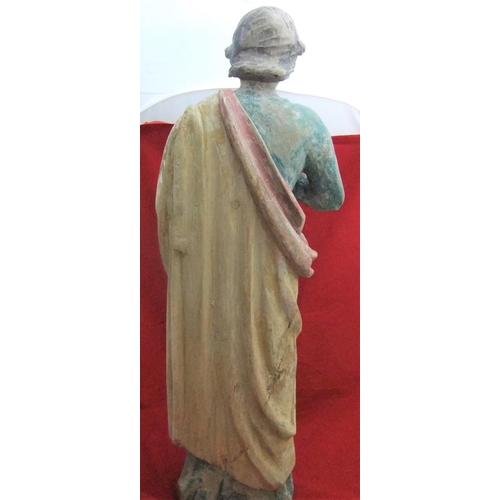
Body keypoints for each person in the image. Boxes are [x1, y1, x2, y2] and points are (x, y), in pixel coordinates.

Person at [156, 7, 344, 499]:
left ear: (237, 55)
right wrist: (288, 187)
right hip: (268, 275)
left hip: (210, 278)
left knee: (214, 351)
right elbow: (331, 197)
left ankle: (210, 466)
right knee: (266, 368)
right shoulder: (305, 123)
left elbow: (171, 210)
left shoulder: (195, 121)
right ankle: (260, 475)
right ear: (289, 59)